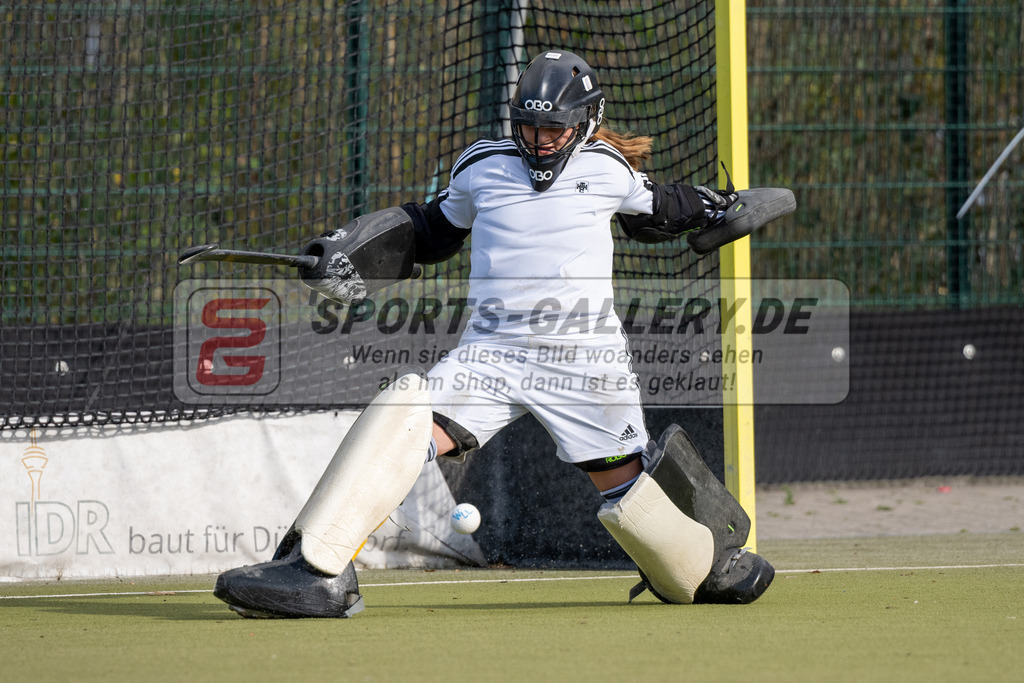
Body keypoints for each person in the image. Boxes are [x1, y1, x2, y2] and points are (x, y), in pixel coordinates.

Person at [213, 50, 776, 618]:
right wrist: (349, 253)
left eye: (554, 128)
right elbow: (432, 230)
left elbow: (657, 209)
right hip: (491, 353)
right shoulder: (480, 166)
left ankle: (707, 566)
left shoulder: (608, 168)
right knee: (402, 420)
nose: (540, 139)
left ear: (585, 120)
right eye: (529, 125)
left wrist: (715, 207)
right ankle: (316, 571)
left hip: (585, 360)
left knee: (632, 499)